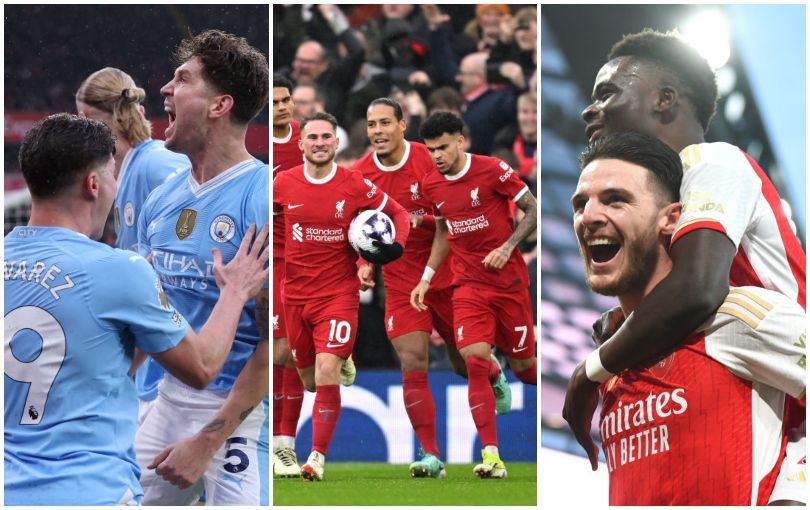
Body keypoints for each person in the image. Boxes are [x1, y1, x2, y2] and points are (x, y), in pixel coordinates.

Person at [564, 31, 806, 501]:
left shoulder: (712, 160)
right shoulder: (674, 190)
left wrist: (587, 372)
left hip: (786, 394)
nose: (589, 110)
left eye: (606, 93)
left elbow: (698, 289)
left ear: (664, 100)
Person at [4, 113, 269, 506]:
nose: (117, 187)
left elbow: (100, 360)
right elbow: (202, 367)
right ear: (93, 184)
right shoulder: (119, 271)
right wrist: (234, 292)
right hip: (90, 490)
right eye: (113, 175)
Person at [133, 30, 270, 505]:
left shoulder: (264, 200)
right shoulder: (162, 199)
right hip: (166, 401)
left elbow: (280, 342)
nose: (165, 90)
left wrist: (208, 441)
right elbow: (144, 313)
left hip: (240, 417)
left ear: (219, 106)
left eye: (182, 79)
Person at [353, 98, 512, 478]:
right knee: (413, 362)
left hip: (451, 271)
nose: (377, 131)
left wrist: (417, 221)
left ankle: (492, 372)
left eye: (385, 123)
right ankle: (431, 455)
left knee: (465, 363)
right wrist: (363, 264)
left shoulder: (430, 158)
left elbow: (453, 217)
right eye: (371, 124)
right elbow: (361, 228)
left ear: (402, 125)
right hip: (402, 278)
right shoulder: (359, 174)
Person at [273, 111, 410, 481]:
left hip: (337, 295)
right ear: (300, 144)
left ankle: (315, 458)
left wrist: (391, 249)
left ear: (336, 143)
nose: (319, 143)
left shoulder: (355, 185)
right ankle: (343, 355)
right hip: (294, 296)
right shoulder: (282, 184)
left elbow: (399, 214)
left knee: (326, 368)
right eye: (312, 137)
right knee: (309, 380)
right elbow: (265, 225)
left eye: (326, 137)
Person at [411, 111, 537, 479]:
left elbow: (531, 209)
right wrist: (427, 278)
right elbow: (443, 232)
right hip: (468, 286)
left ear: (460, 142)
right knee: (475, 362)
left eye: (443, 147)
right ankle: (492, 456)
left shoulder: (493, 169)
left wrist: (508, 245)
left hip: (509, 284)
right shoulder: (432, 184)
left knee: (527, 369)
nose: (437, 155)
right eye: (431, 149)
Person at [75, 66, 189, 425]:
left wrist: (163, 256)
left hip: (171, 335)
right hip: (148, 333)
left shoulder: (156, 161)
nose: (80, 128)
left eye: (83, 118)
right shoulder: (121, 169)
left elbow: (196, 196)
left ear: (103, 118)